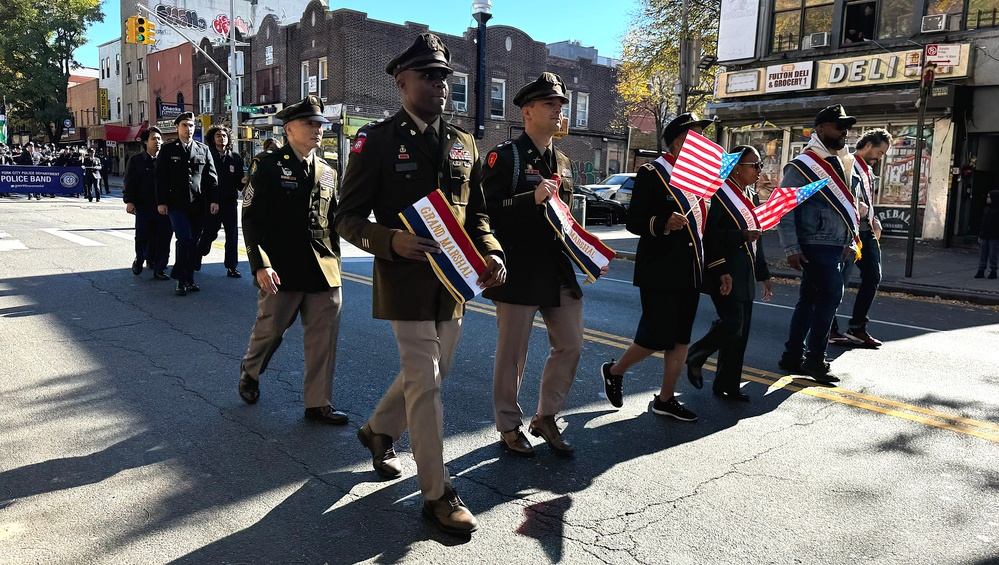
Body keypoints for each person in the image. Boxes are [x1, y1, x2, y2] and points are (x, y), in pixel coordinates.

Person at [334, 33, 506, 536]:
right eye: (428, 75)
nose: (439, 84)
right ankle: (437, 494)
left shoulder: (462, 143)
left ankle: (378, 430)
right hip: (405, 281)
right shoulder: (377, 141)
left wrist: (492, 250)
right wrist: (389, 240)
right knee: (427, 382)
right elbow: (346, 218)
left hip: (452, 283)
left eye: (443, 76)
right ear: (401, 82)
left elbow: (476, 212)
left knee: (436, 371)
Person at [482, 72, 598, 457]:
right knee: (513, 354)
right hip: (517, 267)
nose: (558, 110)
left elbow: (564, 215)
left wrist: (588, 252)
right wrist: (528, 199)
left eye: (561, 104)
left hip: (556, 268)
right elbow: (485, 213)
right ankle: (509, 424)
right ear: (527, 111)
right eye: (550, 104)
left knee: (571, 344)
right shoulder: (507, 156)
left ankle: (546, 416)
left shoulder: (561, 160)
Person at [600, 113, 732, 422]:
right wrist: (663, 222)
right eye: (698, 138)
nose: (705, 144)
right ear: (679, 141)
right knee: (657, 336)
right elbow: (634, 221)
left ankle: (665, 398)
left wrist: (718, 267)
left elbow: (703, 231)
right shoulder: (652, 173)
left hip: (691, 271)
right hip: (660, 269)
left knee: (680, 339)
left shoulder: (700, 180)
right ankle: (615, 370)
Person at [238, 95, 348, 425]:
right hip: (282, 268)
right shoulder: (268, 165)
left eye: (319, 125)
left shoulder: (328, 171)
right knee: (270, 332)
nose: (317, 130)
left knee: (323, 341)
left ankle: (318, 403)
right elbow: (252, 218)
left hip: (322, 270)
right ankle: (251, 370)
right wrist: (261, 264)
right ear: (289, 129)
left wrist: (337, 266)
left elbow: (334, 221)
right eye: (309, 124)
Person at [776, 105, 859, 384]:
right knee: (830, 296)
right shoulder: (804, 164)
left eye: (846, 127)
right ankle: (814, 360)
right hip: (814, 242)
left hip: (835, 243)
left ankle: (792, 356)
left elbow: (847, 207)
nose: (845, 132)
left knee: (810, 299)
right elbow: (784, 208)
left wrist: (848, 239)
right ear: (821, 129)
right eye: (839, 126)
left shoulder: (842, 161)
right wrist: (791, 247)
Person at [686, 145, 772, 402]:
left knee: (740, 331)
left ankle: (727, 385)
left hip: (745, 271)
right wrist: (738, 238)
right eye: (754, 165)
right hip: (724, 270)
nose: (759, 170)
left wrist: (763, 273)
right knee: (733, 323)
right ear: (736, 167)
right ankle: (696, 354)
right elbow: (709, 235)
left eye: (760, 165)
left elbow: (756, 240)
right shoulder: (718, 194)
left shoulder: (749, 195)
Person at [829, 128, 892, 348]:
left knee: (873, 276)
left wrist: (875, 219)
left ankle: (857, 328)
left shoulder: (866, 170)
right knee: (839, 281)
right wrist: (857, 205)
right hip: (848, 231)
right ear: (868, 145)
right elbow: (833, 193)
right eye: (880, 152)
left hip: (866, 231)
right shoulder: (845, 163)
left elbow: (866, 200)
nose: (880, 158)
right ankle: (829, 328)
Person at [155, 112, 217, 296]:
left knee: (193, 242)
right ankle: (180, 279)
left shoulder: (203, 149)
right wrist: (161, 202)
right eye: (184, 125)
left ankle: (188, 279)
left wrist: (214, 200)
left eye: (191, 125)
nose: (188, 129)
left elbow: (211, 178)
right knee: (184, 238)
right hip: (176, 204)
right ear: (177, 127)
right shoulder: (168, 149)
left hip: (197, 204)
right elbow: (160, 178)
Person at [124, 127, 172, 281]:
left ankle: (159, 268)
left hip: (164, 205)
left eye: (159, 138)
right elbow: (130, 183)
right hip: (144, 205)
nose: (157, 141)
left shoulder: (166, 160)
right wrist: (129, 201)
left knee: (164, 236)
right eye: (153, 139)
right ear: (145, 142)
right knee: (143, 236)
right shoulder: (136, 160)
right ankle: (140, 257)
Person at [198, 125, 244, 278]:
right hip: (211, 202)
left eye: (224, 135)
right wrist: (211, 199)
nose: (221, 138)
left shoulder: (235, 158)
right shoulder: (207, 155)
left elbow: (239, 183)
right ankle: (198, 254)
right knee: (210, 233)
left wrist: (245, 182)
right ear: (213, 138)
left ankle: (231, 267)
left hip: (230, 202)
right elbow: (204, 181)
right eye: (218, 135)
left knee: (232, 235)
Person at [976, 190, 999, 279]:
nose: (987, 199)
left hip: (994, 236)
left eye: (989, 197)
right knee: (983, 253)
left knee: (993, 254)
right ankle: (981, 269)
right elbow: (983, 223)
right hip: (985, 235)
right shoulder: (986, 209)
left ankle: (993, 270)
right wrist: (981, 234)